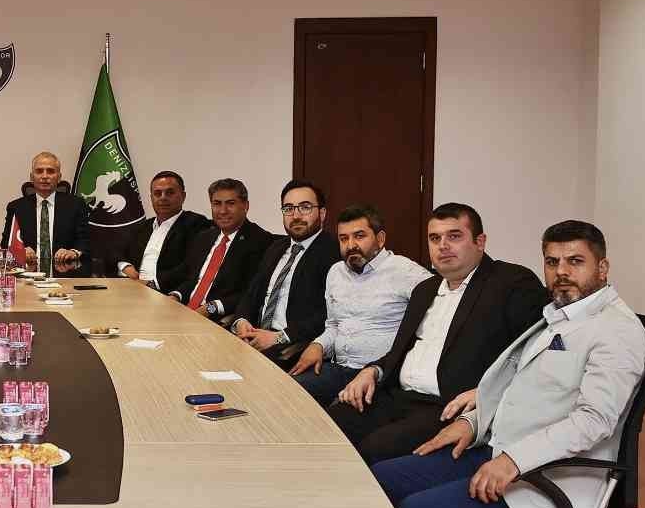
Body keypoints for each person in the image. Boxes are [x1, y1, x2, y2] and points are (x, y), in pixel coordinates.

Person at [372, 220, 645, 508]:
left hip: (547, 478)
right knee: (381, 478)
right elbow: (516, 386)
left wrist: (513, 461)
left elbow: (593, 421)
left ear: (603, 267)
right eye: (552, 262)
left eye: (575, 261)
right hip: (500, 449)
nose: (561, 272)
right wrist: (471, 422)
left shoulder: (616, 332)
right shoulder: (561, 315)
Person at [329, 203, 549, 464]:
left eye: (454, 236)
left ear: (480, 242)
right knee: (328, 425)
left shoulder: (512, 283)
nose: (443, 245)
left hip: (445, 406)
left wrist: (486, 392)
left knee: (371, 450)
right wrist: (373, 370)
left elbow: (536, 354)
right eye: (435, 238)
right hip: (397, 396)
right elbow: (400, 351)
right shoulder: (424, 289)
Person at [287, 204, 430, 406]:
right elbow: (334, 325)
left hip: (380, 377)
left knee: (334, 414)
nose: (350, 245)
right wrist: (318, 344)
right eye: (343, 238)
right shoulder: (336, 272)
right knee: (285, 392)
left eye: (359, 236)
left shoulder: (406, 272)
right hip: (338, 369)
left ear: (380, 239)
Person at [230, 179, 335, 362]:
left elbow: (329, 315)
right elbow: (251, 293)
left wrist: (279, 337)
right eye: (288, 208)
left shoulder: (333, 253)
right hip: (255, 336)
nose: (296, 216)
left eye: (305, 207)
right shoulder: (276, 247)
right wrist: (241, 321)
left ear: (322, 213)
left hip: (290, 346)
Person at [164, 178, 277, 320]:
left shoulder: (260, 241)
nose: (223, 211)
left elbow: (251, 292)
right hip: (184, 312)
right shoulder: (204, 237)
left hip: (215, 319)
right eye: (217, 204)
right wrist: (176, 295)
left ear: (245, 206)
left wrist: (211, 308)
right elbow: (193, 279)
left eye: (230, 203)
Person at [117, 170, 209, 289]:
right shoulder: (144, 227)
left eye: (170, 192)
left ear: (183, 196)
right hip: (134, 288)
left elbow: (191, 265)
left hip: (167, 292)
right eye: (157, 193)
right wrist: (125, 266)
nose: (163, 197)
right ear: (151, 198)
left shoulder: (196, 224)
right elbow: (117, 252)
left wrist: (152, 284)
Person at [2, 152, 89, 275]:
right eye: (39, 171)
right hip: (28, 274)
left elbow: (85, 239)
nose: (44, 176)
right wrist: (20, 251)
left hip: (66, 273)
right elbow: (6, 243)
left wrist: (73, 252)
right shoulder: (16, 207)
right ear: (31, 177)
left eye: (50, 171)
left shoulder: (76, 205)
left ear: (59, 177)